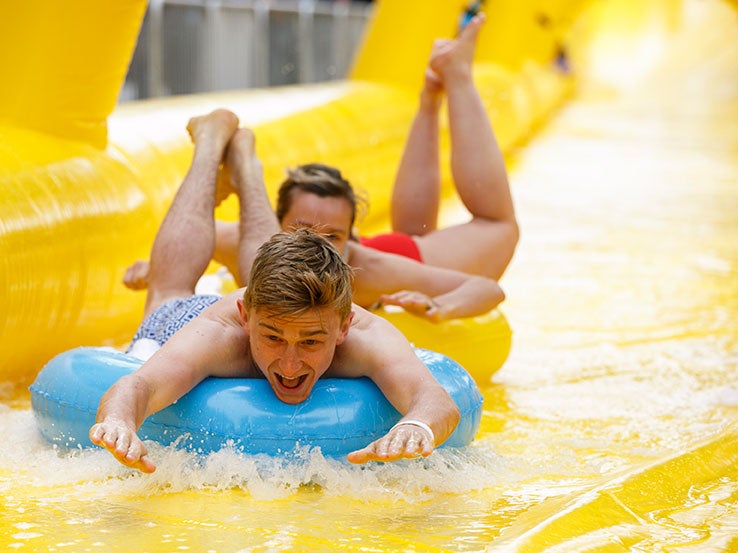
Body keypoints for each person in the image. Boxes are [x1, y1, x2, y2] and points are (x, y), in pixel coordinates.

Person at [90, 110, 461, 473]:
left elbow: (434, 399)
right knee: (168, 291)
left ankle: (248, 168)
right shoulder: (217, 334)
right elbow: (138, 385)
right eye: (273, 337)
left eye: (312, 342)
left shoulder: (366, 336)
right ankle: (209, 145)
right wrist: (120, 422)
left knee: (270, 266)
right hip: (186, 317)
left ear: (344, 327)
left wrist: (415, 426)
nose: (289, 364)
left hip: (269, 304)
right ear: (245, 317)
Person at [123, 13, 514, 323]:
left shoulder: (369, 270)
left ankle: (457, 76)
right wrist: (150, 268)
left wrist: (438, 307)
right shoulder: (249, 241)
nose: (319, 249)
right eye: (303, 232)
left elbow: (485, 288)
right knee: (415, 229)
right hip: (388, 250)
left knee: (496, 224)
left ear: (351, 237)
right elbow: (185, 242)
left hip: (410, 258)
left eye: (335, 237)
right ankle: (429, 97)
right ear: (274, 226)